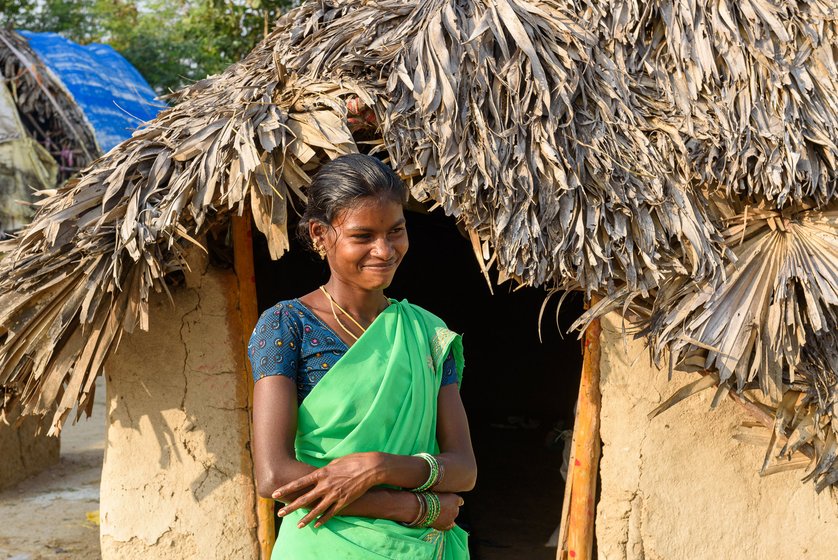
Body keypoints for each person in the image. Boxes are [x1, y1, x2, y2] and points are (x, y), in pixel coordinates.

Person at [248, 153, 477, 559]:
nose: (384, 250)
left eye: (396, 231)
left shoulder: (427, 333)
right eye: (363, 236)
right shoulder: (288, 326)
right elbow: (274, 475)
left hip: (418, 548)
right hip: (323, 544)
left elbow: (462, 468)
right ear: (320, 234)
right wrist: (408, 506)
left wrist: (380, 465)